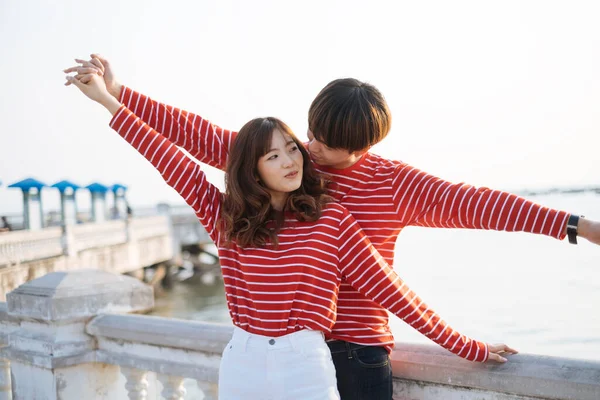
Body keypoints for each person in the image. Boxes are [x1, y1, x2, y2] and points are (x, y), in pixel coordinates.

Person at [65, 55, 600, 400]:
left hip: (357, 353)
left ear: (362, 145)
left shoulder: (392, 186)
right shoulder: (286, 161)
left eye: (322, 142)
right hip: (278, 352)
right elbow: (194, 140)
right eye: (309, 133)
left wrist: (576, 224)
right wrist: (119, 96)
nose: (308, 148)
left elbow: (484, 206)